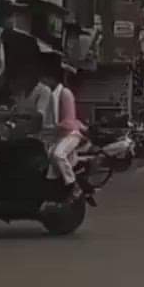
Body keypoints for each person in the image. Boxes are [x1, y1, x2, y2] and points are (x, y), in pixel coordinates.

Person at [47, 65, 86, 203]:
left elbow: (69, 120)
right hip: (60, 134)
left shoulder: (65, 93)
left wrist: (53, 127)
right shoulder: (52, 95)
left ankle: (73, 185)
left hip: (71, 134)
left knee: (58, 155)